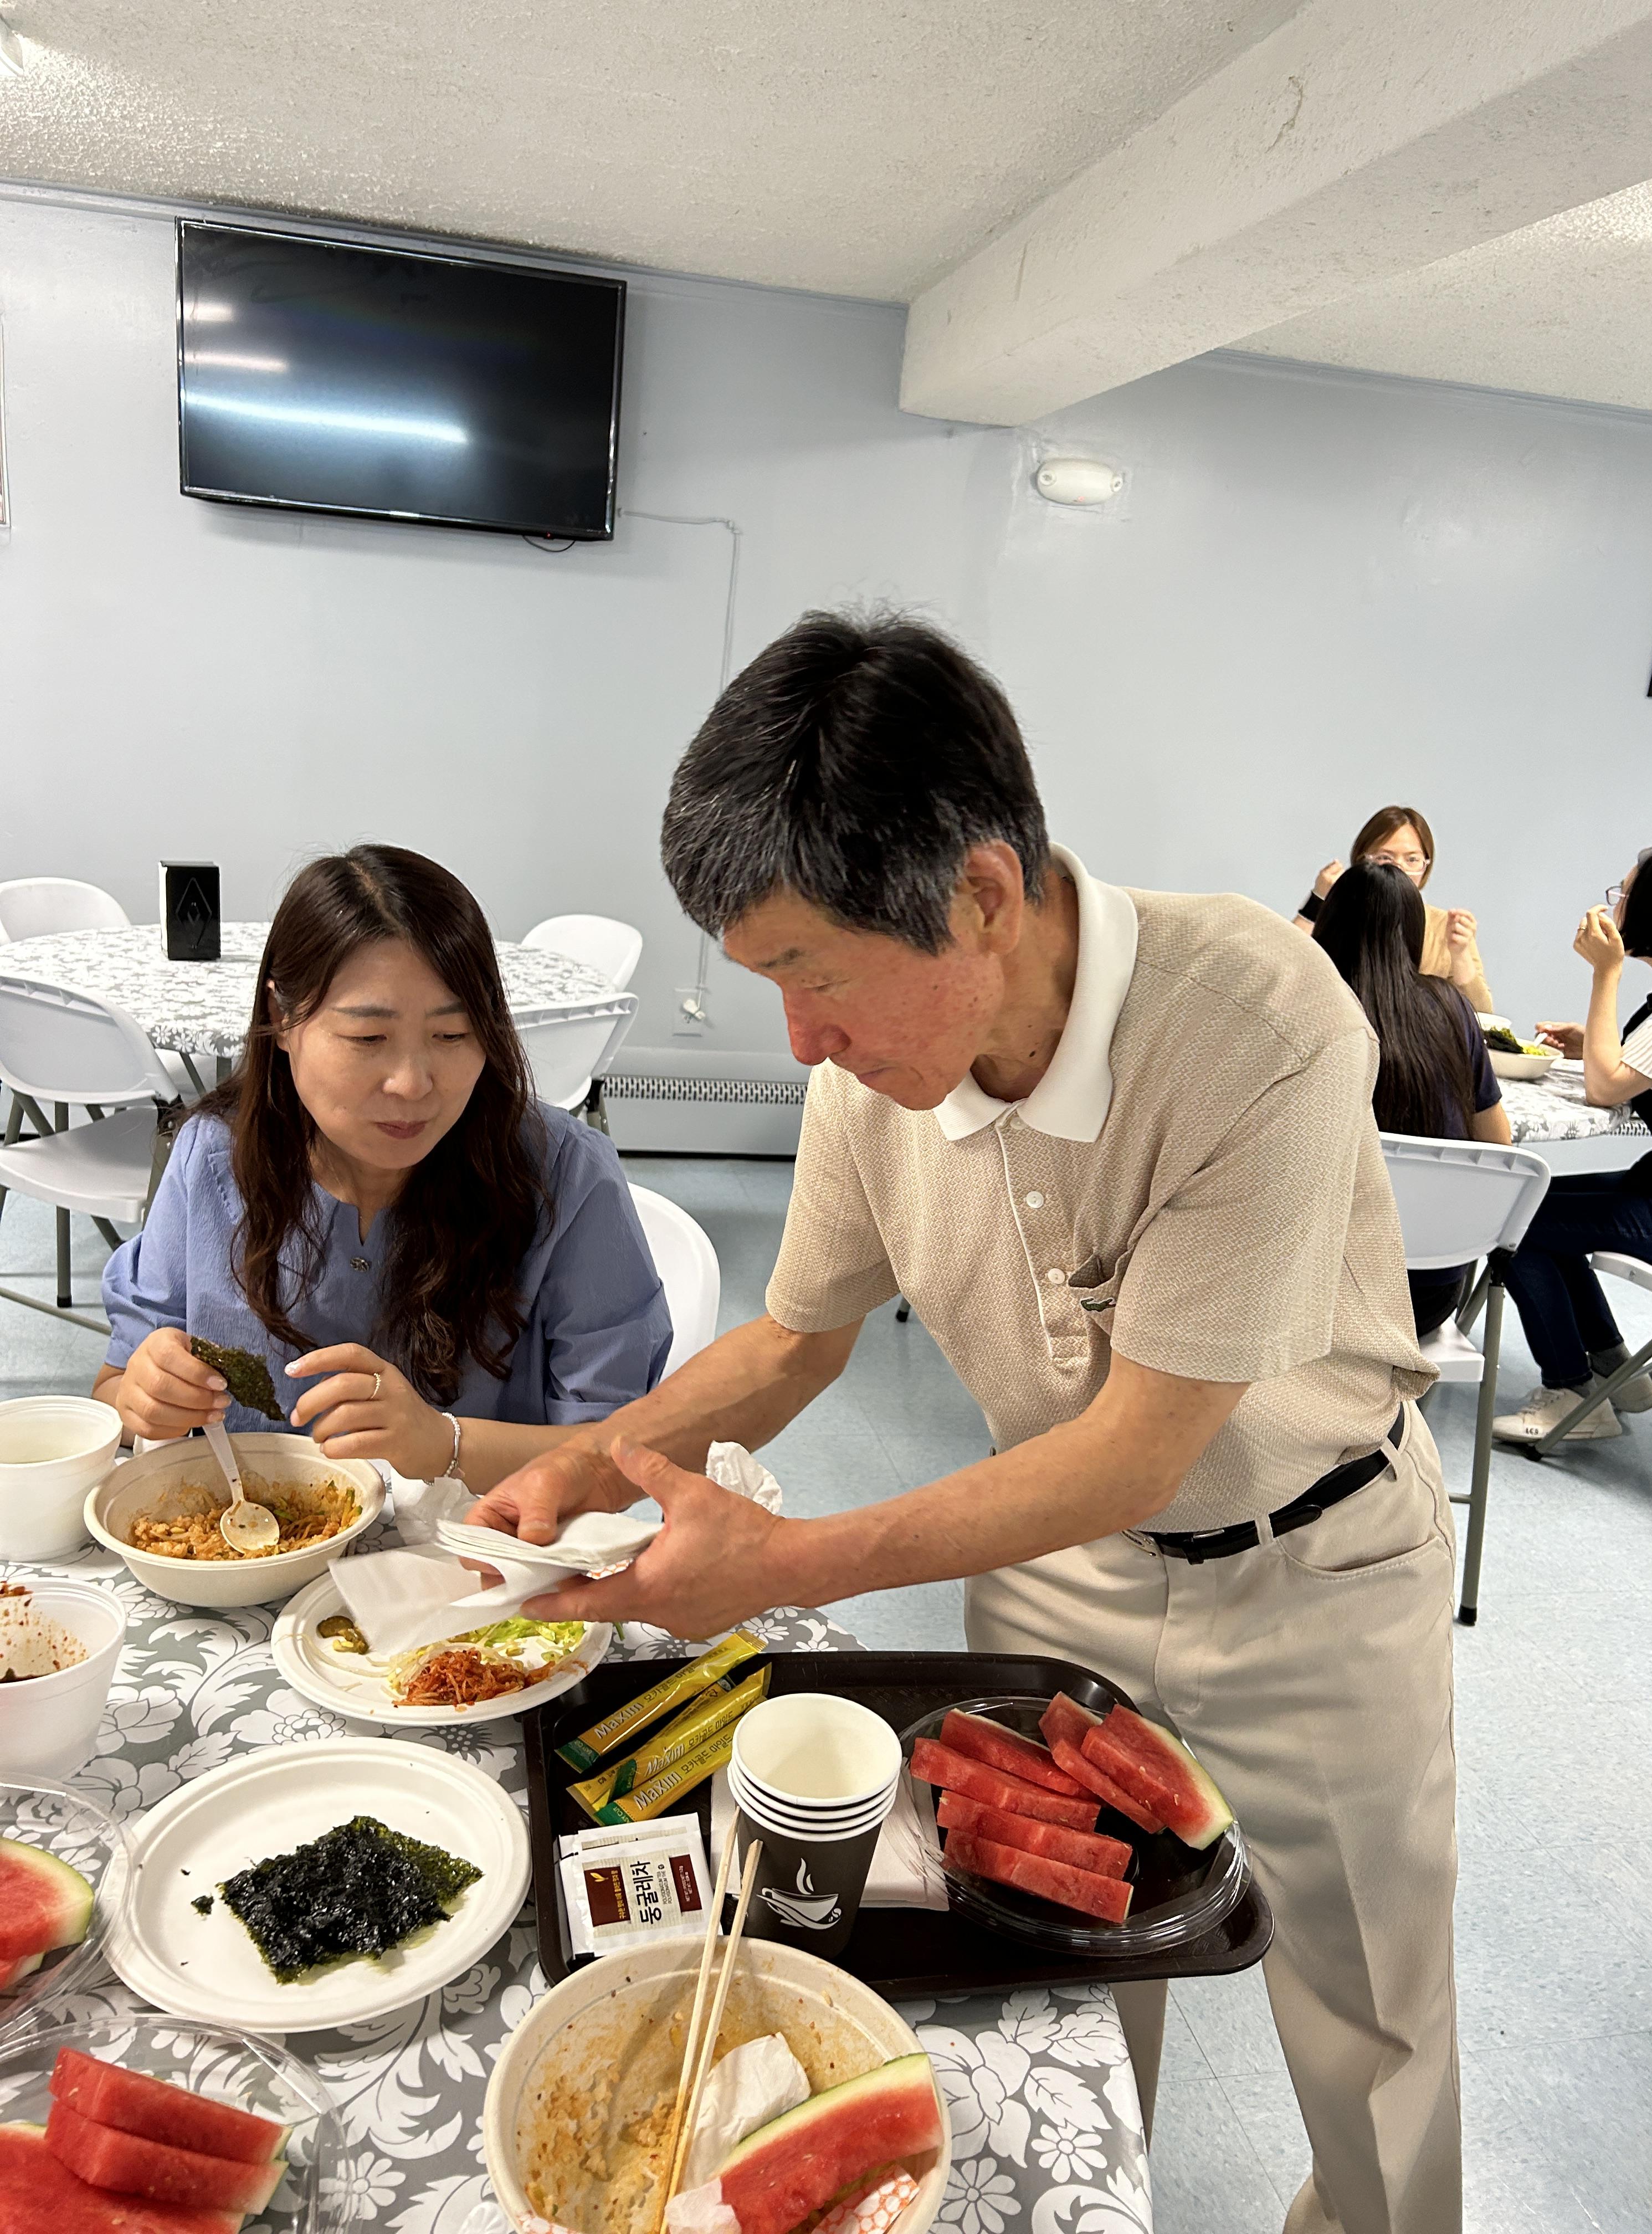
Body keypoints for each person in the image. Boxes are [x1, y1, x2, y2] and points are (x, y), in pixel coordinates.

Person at [472, 612, 1461, 2234]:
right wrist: (593, 1460)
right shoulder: (864, 1087)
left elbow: (1142, 1446)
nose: (800, 1040)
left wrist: (789, 1558)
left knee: (1373, 2011)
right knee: (1067, 1970)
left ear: (984, 896)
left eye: (812, 975)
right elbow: (794, 1346)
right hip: (1060, 1570)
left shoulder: (1255, 1022)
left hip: (1317, 1570)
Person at [96, 846, 670, 1485]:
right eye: (368, 1038)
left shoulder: (564, 1174)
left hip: (483, 1540)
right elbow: (116, 1392)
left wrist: (446, 1444)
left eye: (453, 1036)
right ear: (282, 1019)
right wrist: (142, 1397)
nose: (413, 1083)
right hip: (255, 1540)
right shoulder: (213, 1157)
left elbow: (621, 1458)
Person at [1490, 844, 1652, 1443]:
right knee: (1529, 1206)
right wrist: (1589, 1044)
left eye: (1624, 895)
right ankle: (1617, 1371)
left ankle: (1572, 1394)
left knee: (1514, 1224)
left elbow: (1605, 1089)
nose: (1613, 906)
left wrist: (1606, 972)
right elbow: (1627, 1070)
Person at [1314, 860, 1511, 1335]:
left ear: (1330, 924)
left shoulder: (1313, 1007)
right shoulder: (1452, 1007)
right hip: (1429, 1296)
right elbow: (1498, 1144)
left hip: (1318, 1297)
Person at [1296, 804, 1492, 1012]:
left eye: (1412, 860)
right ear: (1362, 861)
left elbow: (1482, 1015)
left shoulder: (1445, 926)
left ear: (1425, 866)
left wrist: (1460, 955)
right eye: (1385, 858)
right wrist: (1317, 901)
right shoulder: (1341, 914)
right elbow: (1286, 973)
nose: (1399, 869)